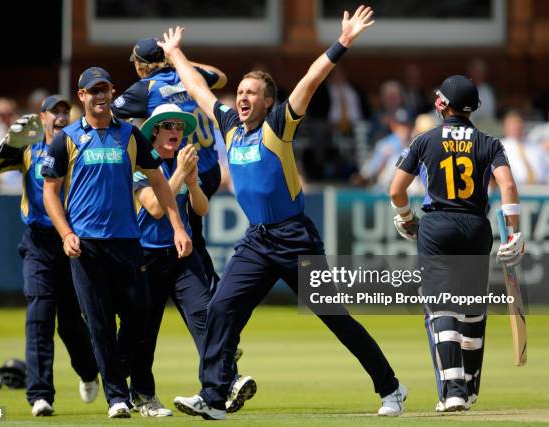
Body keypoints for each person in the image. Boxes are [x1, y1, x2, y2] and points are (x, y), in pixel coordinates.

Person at [159, 5, 407, 420]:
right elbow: (200, 92)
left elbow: (310, 79)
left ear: (268, 100)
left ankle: (391, 388)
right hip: (258, 239)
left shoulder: (278, 124)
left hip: (295, 237)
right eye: (239, 91)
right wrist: (175, 55)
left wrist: (342, 42)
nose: (241, 96)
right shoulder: (229, 127)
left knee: (336, 318)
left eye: (251, 92)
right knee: (221, 309)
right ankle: (215, 398)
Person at [41, 67, 192, 418]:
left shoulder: (130, 135)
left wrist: (178, 227)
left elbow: (158, 181)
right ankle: (118, 398)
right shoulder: (65, 139)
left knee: (140, 318)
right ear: (82, 96)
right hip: (86, 245)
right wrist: (66, 234)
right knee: (100, 324)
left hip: (127, 242)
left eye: (106, 89)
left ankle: (131, 387)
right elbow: (50, 193)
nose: (101, 96)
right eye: (94, 90)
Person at [389, 75, 524, 412]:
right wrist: (514, 234)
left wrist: (406, 217)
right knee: (472, 309)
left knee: (441, 307)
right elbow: (507, 186)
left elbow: (396, 190)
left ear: (441, 105)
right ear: (473, 109)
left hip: (437, 227)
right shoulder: (489, 143)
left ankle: (453, 391)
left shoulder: (424, 140)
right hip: (476, 228)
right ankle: (471, 386)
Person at [129, 104, 254, 417]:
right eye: (168, 126)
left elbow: (201, 209)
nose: (176, 132)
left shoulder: (182, 163)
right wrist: (182, 174)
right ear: (154, 131)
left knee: (207, 316)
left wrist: (194, 182)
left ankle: (224, 382)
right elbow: (155, 208)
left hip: (181, 255)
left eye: (180, 127)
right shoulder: (140, 164)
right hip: (146, 256)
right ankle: (142, 395)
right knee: (145, 330)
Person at [0, 95, 100, 416]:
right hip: (38, 243)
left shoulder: (79, 144)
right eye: (54, 112)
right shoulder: (28, 148)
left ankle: (89, 372)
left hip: (73, 242)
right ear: (42, 117)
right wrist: (9, 144)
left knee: (72, 325)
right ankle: (40, 395)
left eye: (65, 111)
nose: (60, 116)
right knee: (39, 316)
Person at [112, 37, 227, 289]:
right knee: (192, 234)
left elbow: (109, 114)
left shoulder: (145, 87)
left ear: (141, 66)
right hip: (209, 168)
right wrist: (177, 57)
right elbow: (221, 77)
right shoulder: (188, 74)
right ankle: (202, 290)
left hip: (183, 169)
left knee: (187, 238)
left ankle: (207, 292)